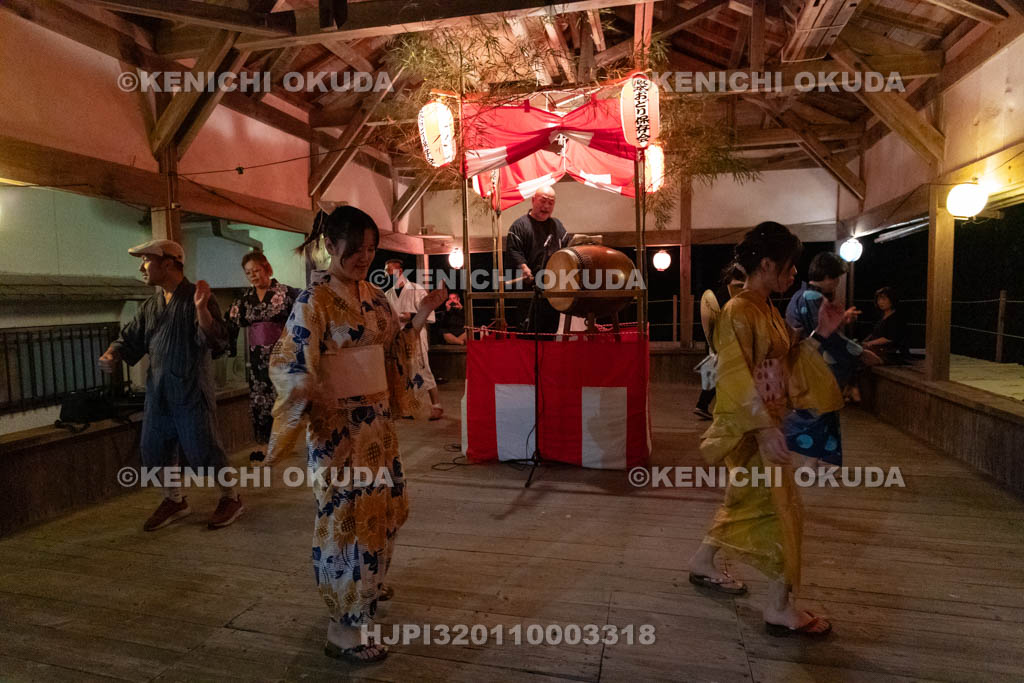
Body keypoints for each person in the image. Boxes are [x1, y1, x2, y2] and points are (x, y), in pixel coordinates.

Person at [267, 206, 446, 664]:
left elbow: (397, 348)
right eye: (357, 249)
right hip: (338, 431)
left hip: (377, 429)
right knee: (346, 524)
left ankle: (366, 589)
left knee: (384, 511)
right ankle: (343, 629)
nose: (365, 257)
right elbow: (288, 361)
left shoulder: (374, 295)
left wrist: (423, 313)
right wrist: (303, 384)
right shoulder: (314, 300)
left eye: (371, 249)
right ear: (331, 245)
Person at [687, 222, 844, 637]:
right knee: (781, 511)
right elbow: (736, 376)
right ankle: (779, 606)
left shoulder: (763, 306)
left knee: (748, 501)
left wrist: (818, 335)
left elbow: (784, 355)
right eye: (790, 267)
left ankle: (703, 561)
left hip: (764, 422)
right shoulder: (740, 310)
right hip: (754, 427)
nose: (795, 275)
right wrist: (761, 429)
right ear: (769, 263)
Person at [97, 239, 242, 531]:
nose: (142, 267)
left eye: (147, 260)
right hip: (159, 390)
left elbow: (215, 339)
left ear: (167, 263)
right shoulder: (151, 305)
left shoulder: (196, 296)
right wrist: (113, 352)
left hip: (190, 388)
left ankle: (231, 496)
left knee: (204, 449)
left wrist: (201, 309)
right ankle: (174, 499)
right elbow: (130, 337)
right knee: (154, 447)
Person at [783, 252, 881, 465]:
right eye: (836, 278)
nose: (836, 283)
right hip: (816, 365)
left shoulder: (800, 296)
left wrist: (842, 319)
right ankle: (812, 459)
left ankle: (816, 461)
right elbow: (827, 337)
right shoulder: (813, 298)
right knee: (819, 411)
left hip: (804, 362)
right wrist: (860, 352)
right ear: (827, 276)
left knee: (818, 411)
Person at [226, 252, 299, 462]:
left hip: (282, 356)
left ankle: (284, 442)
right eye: (249, 273)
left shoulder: (286, 294)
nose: (253, 276)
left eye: (256, 270)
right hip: (257, 359)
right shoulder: (244, 300)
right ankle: (264, 445)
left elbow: (301, 321)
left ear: (267, 268)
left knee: (283, 399)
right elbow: (230, 323)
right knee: (260, 401)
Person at [506, 185, 569, 334]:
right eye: (543, 201)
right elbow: (513, 250)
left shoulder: (557, 226)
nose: (546, 206)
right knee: (528, 334)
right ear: (533, 200)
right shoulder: (519, 226)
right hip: (528, 292)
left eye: (551, 202)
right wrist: (523, 267)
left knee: (549, 334)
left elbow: (567, 249)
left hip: (552, 292)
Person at [384, 259, 443, 420]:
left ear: (400, 272)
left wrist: (410, 316)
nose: (387, 274)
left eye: (390, 271)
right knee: (404, 371)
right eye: (386, 272)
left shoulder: (417, 290)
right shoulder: (387, 294)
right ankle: (409, 405)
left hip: (416, 335)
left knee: (423, 369)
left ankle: (436, 404)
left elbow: (429, 314)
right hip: (398, 338)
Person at [694, 266, 746, 420]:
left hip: (713, 339)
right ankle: (714, 407)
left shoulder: (722, 292)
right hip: (726, 341)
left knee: (714, 375)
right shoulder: (738, 293)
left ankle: (702, 405)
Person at [863, 286, 908, 364]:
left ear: (892, 300)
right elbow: (874, 333)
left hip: (889, 353)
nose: (880, 302)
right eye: (878, 299)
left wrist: (869, 343)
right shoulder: (881, 317)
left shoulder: (896, 318)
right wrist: (864, 343)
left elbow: (889, 338)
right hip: (877, 349)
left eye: (883, 299)